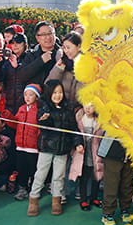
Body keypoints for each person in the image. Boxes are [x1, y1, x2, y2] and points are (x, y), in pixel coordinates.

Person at [26, 80, 81, 217]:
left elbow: (73, 128)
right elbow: (42, 123)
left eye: (60, 92)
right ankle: (33, 199)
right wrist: (45, 120)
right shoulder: (44, 107)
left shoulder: (68, 108)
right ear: (49, 93)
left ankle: (56, 200)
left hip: (62, 149)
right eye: (55, 92)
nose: (58, 95)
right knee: (40, 174)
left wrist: (78, 143)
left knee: (59, 176)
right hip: (47, 148)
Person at [98, 131, 133, 225]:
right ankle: (108, 214)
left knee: (127, 184)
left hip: (131, 154)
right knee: (111, 185)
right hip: (113, 154)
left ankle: (125, 210)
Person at [69, 103, 104, 211]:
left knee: (96, 176)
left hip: (96, 153)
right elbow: (74, 134)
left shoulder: (99, 121)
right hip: (82, 153)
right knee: (83, 177)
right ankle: (83, 200)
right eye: (86, 105)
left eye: (92, 105)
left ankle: (94, 197)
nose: (88, 108)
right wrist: (77, 145)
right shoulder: (79, 118)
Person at [11, 84, 41, 201]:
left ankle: (33, 189)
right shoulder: (21, 109)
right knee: (21, 168)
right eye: (25, 94)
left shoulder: (38, 110)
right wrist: (8, 118)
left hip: (32, 147)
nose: (27, 97)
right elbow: (15, 124)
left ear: (36, 97)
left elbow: (39, 129)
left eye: (31, 95)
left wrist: (38, 142)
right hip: (20, 145)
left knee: (33, 169)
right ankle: (22, 188)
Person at [0, 32, 33, 114]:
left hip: (26, 103)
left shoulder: (31, 57)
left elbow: (26, 76)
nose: (15, 46)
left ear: (25, 44)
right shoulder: (8, 61)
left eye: (18, 43)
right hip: (9, 104)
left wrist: (17, 67)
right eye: (12, 43)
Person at [46, 31, 82, 109]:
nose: (66, 51)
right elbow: (49, 84)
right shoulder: (62, 61)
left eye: (68, 47)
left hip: (78, 109)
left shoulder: (86, 64)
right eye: (64, 48)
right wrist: (59, 68)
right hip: (60, 107)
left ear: (78, 46)